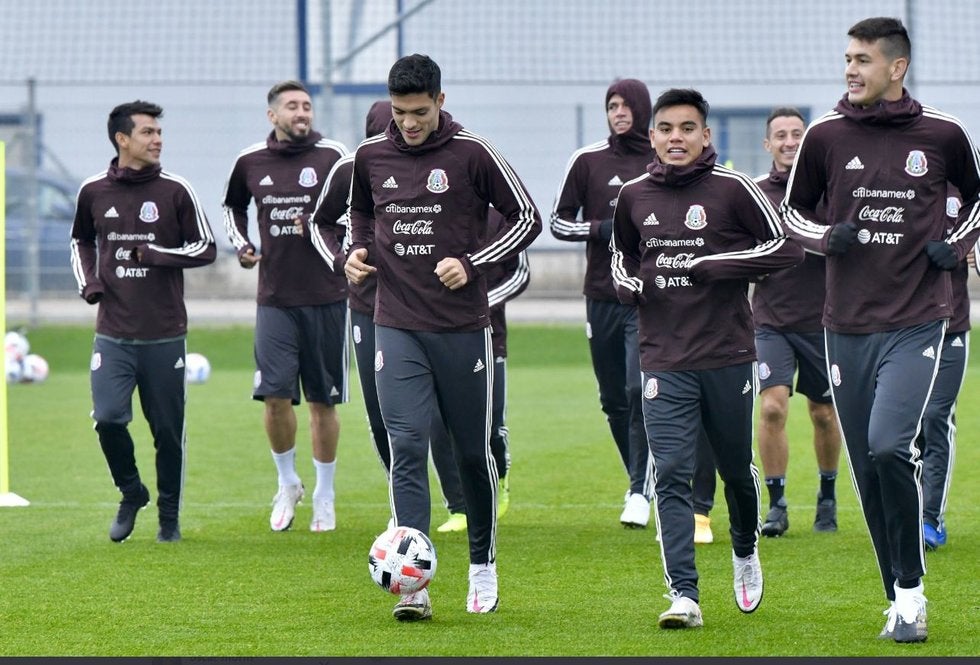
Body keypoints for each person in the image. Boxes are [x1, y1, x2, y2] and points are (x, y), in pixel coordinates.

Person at [781, 17, 980, 643]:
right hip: (844, 326)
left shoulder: (943, 134)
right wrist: (824, 236)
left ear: (896, 68)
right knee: (868, 465)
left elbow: (977, 201)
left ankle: (914, 593)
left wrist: (958, 241)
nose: (850, 69)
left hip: (919, 319)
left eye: (863, 59)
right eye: (847, 58)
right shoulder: (826, 137)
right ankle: (897, 594)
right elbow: (791, 213)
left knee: (892, 444)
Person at [345, 54, 541, 621]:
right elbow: (359, 215)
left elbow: (527, 218)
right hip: (395, 324)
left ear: (441, 101)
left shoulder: (472, 154)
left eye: (419, 112)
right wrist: (352, 253)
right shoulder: (369, 157)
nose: (409, 123)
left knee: (470, 450)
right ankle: (413, 586)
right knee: (405, 445)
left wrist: (473, 262)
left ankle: (482, 564)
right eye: (401, 112)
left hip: (460, 330)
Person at [611, 88, 803, 629]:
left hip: (725, 354)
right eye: (666, 129)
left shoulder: (734, 189)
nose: (676, 138)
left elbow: (784, 249)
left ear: (705, 136)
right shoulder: (633, 195)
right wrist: (630, 285)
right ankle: (684, 595)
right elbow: (622, 258)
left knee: (736, 472)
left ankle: (745, 550)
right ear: (652, 137)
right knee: (671, 473)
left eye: (687, 129)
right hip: (662, 357)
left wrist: (721, 264)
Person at [70, 100, 216, 543]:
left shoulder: (176, 190)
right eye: (148, 133)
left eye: (158, 132)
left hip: (164, 335)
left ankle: (168, 519)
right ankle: (131, 492)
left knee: (167, 433)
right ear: (122, 139)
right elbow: (80, 240)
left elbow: (205, 248)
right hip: (113, 333)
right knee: (109, 419)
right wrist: (90, 282)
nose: (157, 140)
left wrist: (156, 255)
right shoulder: (94, 190)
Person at [222, 80, 349, 533]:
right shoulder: (250, 161)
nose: (302, 113)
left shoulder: (334, 157)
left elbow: (359, 213)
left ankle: (324, 494)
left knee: (322, 403)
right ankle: (287, 482)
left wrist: (327, 233)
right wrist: (243, 245)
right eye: (292, 106)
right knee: (274, 396)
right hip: (274, 299)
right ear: (272, 115)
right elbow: (232, 208)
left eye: (307, 106)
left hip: (328, 298)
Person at [550, 79, 655, 528]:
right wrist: (598, 229)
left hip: (646, 296)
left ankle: (639, 489)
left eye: (625, 105)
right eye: (611, 105)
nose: (618, 112)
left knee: (638, 389)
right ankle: (638, 475)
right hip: (600, 295)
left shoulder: (659, 158)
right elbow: (557, 222)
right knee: (613, 399)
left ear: (642, 109)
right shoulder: (587, 161)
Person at [752, 107, 842, 537]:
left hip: (824, 319)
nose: (789, 141)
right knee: (771, 406)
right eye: (781, 135)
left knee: (824, 413)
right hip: (771, 320)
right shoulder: (754, 195)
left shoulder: (828, 190)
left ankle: (827, 496)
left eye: (797, 134)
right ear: (768, 145)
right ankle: (777, 505)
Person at [430, 206, 530, 533]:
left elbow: (520, 274)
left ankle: (498, 481)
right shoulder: (430, 209)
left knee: (488, 423)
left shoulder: (502, 215)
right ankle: (458, 506)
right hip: (434, 331)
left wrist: (481, 302)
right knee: (438, 422)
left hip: (488, 333)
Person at [915, 186, 971, 551]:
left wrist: (959, 249)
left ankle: (931, 517)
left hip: (952, 326)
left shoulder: (969, 190)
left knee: (936, 416)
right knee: (906, 428)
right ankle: (909, 512)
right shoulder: (904, 185)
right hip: (906, 327)